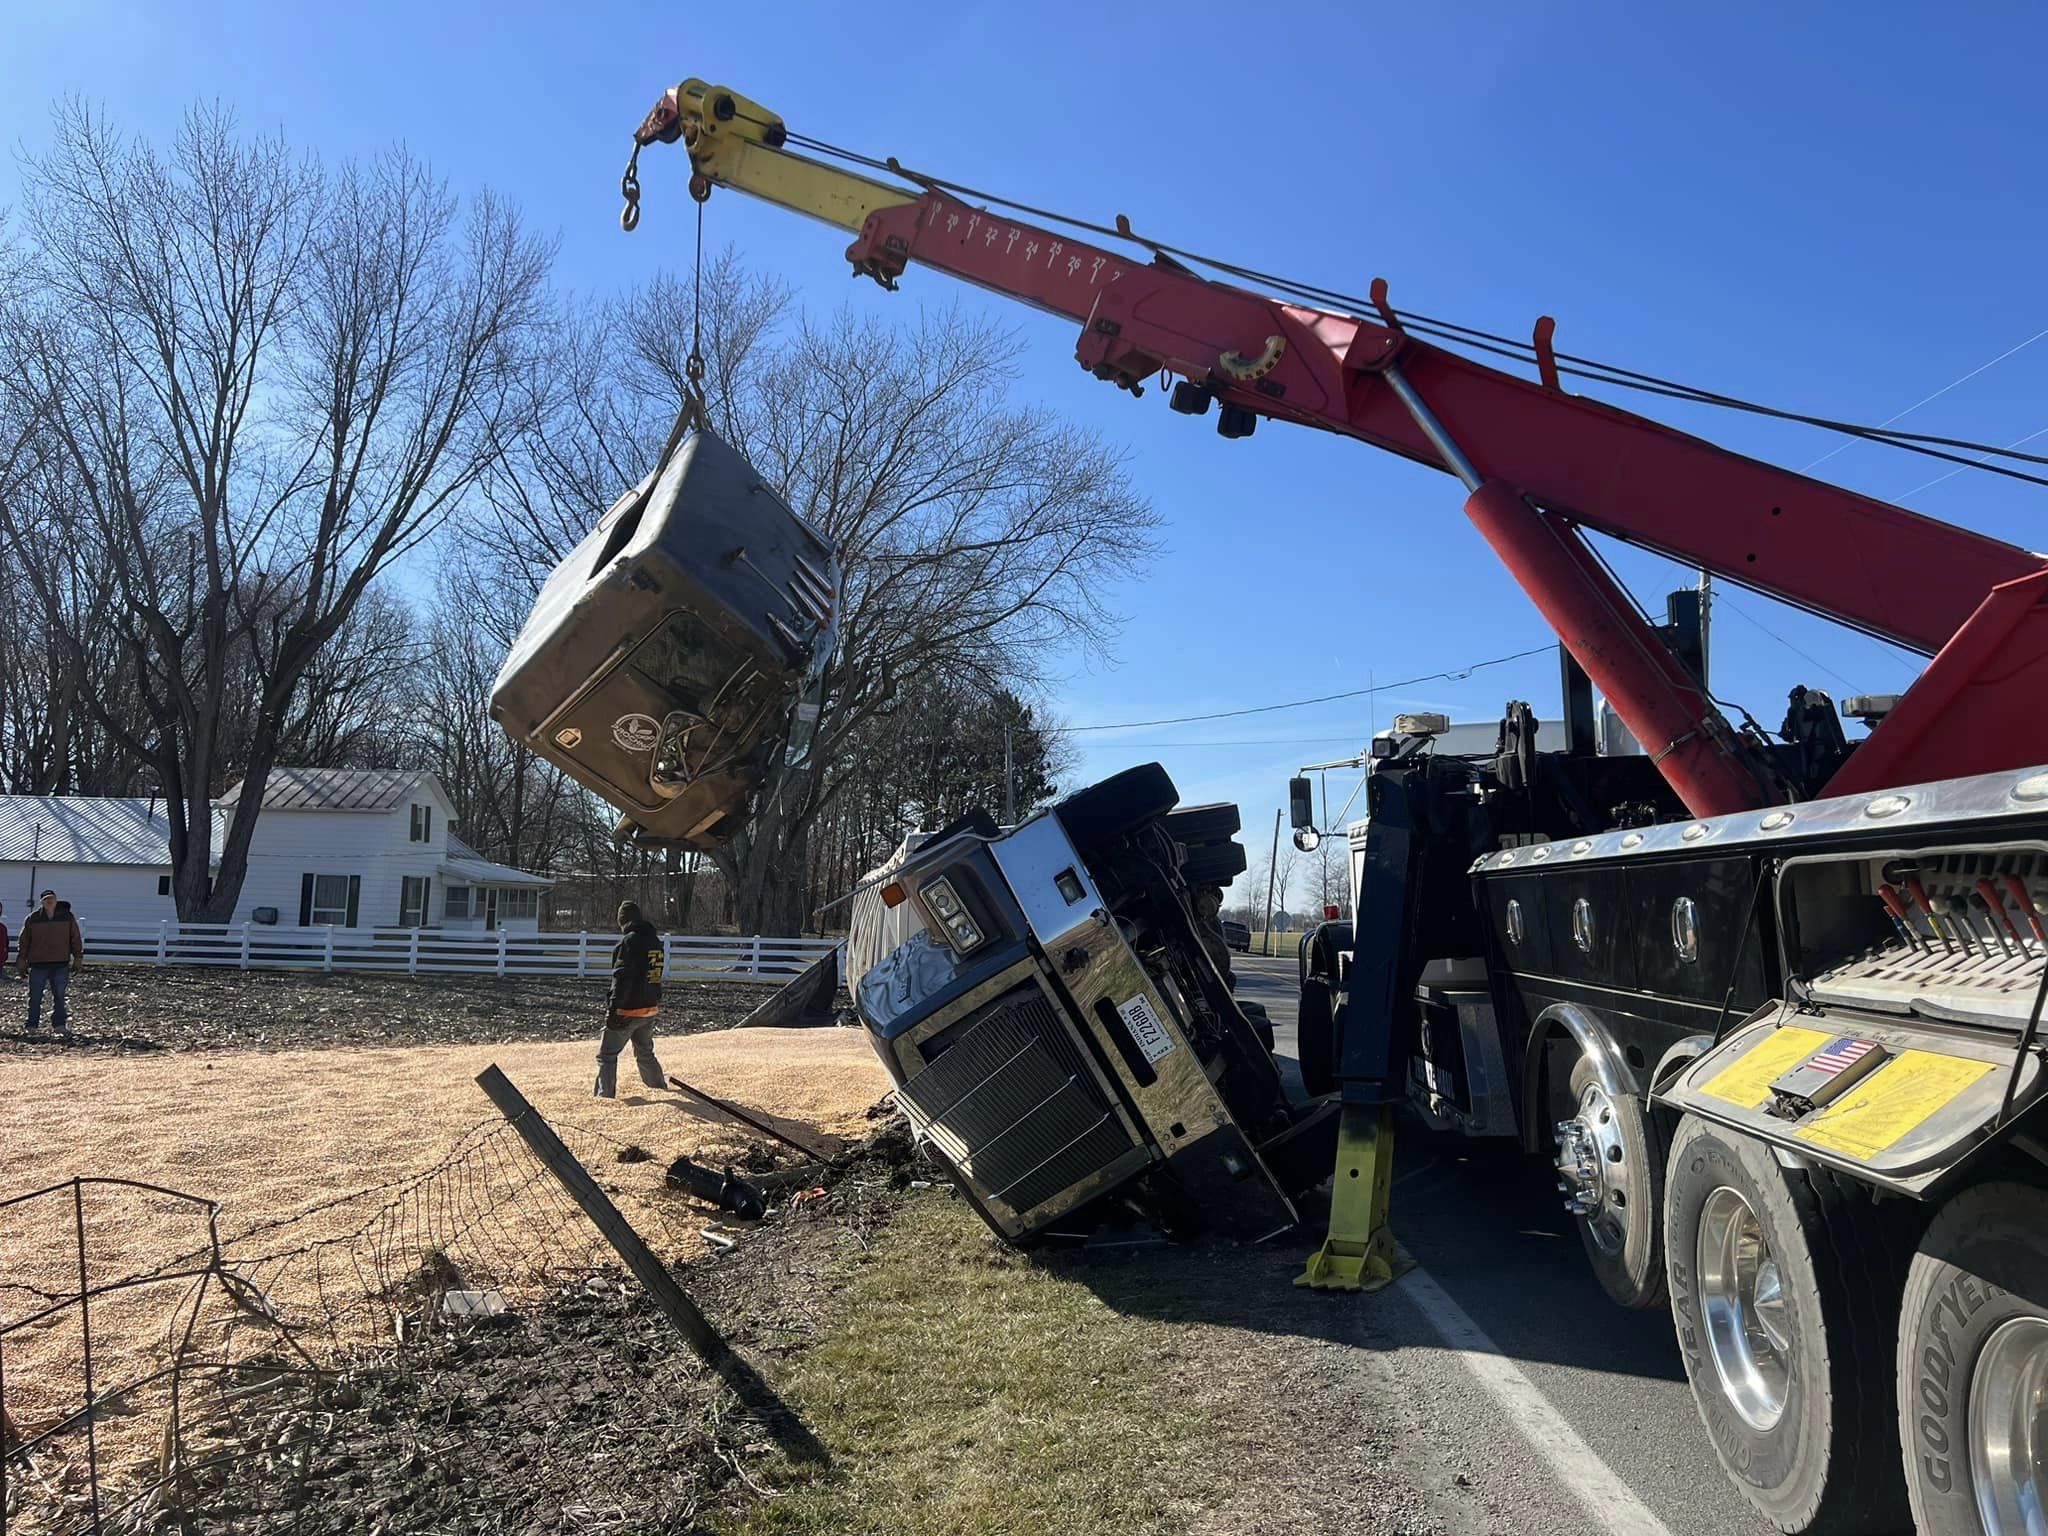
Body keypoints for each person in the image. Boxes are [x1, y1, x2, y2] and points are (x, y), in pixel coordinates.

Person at [594, 901, 666, 1098]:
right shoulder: (655, 942)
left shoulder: (628, 943)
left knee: (607, 1055)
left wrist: (614, 1009)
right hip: (650, 1007)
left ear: (624, 921)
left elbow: (622, 977)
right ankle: (659, 1089)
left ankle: (604, 1097)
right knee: (645, 1052)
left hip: (628, 1009)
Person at [19, 889, 83, 1037]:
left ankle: (59, 1025)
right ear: (41, 902)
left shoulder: (67, 917)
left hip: (60, 963)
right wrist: (22, 959)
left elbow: (75, 937)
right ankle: (31, 1025)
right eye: (46, 899)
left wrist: (78, 957)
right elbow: (24, 941)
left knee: (59, 996)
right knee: (35, 996)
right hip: (38, 963)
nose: (49, 901)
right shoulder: (32, 918)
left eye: (52, 899)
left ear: (56, 900)